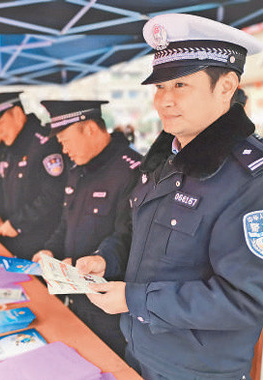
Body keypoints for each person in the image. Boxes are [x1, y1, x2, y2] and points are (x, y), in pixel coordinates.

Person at [76, 13, 263, 380]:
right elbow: (138, 234)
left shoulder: (249, 180)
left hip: (198, 371)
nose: (164, 101)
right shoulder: (166, 157)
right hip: (140, 352)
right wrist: (107, 259)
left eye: (180, 85)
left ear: (226, 86)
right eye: (160, 87)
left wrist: (134, 299)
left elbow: (246, 300)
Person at [32, 100, 142, 357]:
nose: (63, 149)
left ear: (90, 129)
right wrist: (50, 249)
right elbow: (66, 221)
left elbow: (129, 237)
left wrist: (96, 259)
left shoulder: (131, 170)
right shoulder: (78, 167)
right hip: (75, 296)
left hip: (109, 305)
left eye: (65, 139)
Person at [0, 92, 66, 259]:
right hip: (17, 245)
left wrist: (18, 223)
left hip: (41, 247)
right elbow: (12, 194)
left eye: (0, 123)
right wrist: (0, 215)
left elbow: (53, 196)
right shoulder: (12, 148)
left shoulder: (45, 144)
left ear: (17, 114)